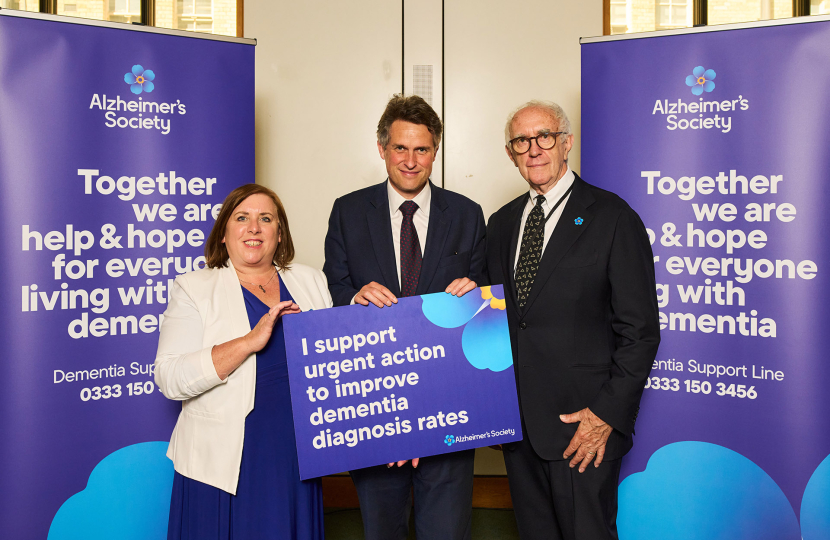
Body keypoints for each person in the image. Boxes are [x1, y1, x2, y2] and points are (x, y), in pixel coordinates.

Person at [485, 100, 660, 540]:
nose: (534, 149)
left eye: (544, 137)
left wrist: (605, 415)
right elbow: (501, 318)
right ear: (511, 153)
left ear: (566, 143)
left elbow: (640, 333)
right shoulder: (502, 223)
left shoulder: (614, 217)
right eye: (521, 141)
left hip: (583, 429)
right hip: (519, 427)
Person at [323, 94, 486, 540]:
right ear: (381, 148)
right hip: (377, 406)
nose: (411, 161)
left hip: (449, 410)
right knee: (382, 530)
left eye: (422, 149)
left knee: (447, 532)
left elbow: (487, 301)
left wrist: (475, 296)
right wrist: (353, 296)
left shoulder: (468, 215)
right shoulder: (348, 211)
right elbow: (332, 290)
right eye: (400, 148)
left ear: (435, 151)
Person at [155, 184, 332, 540]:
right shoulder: (193, 287)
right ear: (224, 233)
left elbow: (337, 362)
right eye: (242, 218)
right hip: (224, 458)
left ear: (279, 234)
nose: (254, 227)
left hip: (295, 451)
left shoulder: (310, 280)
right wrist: (249, 342)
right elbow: (169, 378)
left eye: (266, 219)